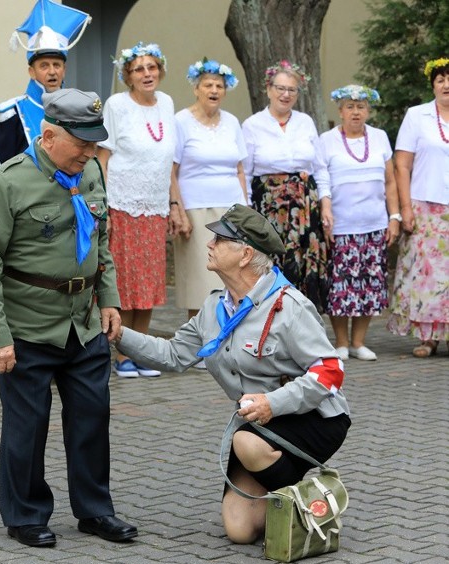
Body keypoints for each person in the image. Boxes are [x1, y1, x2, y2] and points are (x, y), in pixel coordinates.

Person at [115, 204, 350, 545]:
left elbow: (329, 370)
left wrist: (273, 402)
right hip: (261, 423)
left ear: (245, 254)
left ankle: (308, 497)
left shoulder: (288, 306)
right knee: (240, 531)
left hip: (314, 416)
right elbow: (172, 355)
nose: (209, 244)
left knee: (245, 442)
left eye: (219, 239)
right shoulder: (214, 307)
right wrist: (118, 334)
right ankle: (295, 496)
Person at [0, 88, 138, 548]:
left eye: (93, 143)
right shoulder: (9, 182)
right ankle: (25, 515)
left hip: (83, 322)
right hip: (28, 325)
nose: (89, 152)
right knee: (27, 426)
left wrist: (110, 299)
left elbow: (101, 241)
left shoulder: (90, 173)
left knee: (92, 418)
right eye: (81, 143)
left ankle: (95, 510)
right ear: (48, 136)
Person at [96, 42, 175, 378]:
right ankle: (121, 354)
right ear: (127, 75)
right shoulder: (117, 104)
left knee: (149, 284)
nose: (147, 74)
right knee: (126, 284)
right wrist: (103, 207)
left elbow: (169, 159)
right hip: (123, 205)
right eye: (139, 69)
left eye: (152, 67)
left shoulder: (167, 103)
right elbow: (103, 156)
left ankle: (140, 350)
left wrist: (173, 204)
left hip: (154, 207)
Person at [314, 85, 399, 361]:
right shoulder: (326, 140)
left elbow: (390, 180)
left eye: (361, 107)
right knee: (342, 284)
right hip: (341, 225)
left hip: (374, 223)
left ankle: (359, 342)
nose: (355, 112)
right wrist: (325, 207)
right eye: (350, 106)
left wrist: (394, 216)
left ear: (368, 111)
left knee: (369, 283)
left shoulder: (379, 137)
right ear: (340, 111)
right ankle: (340, 342)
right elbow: (322, 178)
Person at [242, 60, 330, 312]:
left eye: (292, 89)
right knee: (271, 265)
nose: (285, 94)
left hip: (305, 208)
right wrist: (248, 213)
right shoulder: (252, 125)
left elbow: (320, 168)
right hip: (269, 208)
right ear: (268, 89)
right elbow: (245, 173)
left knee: (305, 266)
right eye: (280, 88)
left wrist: (326, 205)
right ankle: (269, 326)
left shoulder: (306, 122)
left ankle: (303, 329)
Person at [170, 58, 247, 325]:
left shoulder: (233, 122)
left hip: (230, 210)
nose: (214, 90)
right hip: (195, 210)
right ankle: (201, 343)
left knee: (232, 278)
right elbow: (172, 170)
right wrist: (177, 209)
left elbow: (239, 169)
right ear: (196, 89)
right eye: (208, 85)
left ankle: (228, 342)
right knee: (199, 281)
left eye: (219, 86)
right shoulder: (181, 121)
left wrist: (245, 209)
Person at [387, 57, 449, 357]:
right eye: (440, 80)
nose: (446, 85)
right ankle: (428, 337)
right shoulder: (417, 115)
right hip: (426, 205)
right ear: (433, 85)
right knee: (426, 275)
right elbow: (402, 164)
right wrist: (405, 208)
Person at [0, 0, 90, 162]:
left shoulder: (77, 109)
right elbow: (3, 168)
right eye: (44, 66)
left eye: (57, 65)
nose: (52, 71)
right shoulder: (14, 112)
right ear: (32, 72)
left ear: (64, 70)